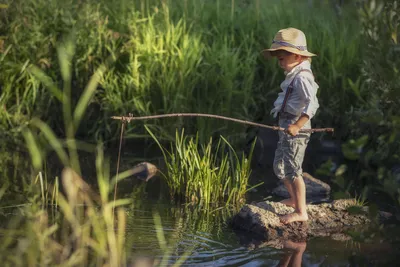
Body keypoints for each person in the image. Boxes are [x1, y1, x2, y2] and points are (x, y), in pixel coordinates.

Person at [262, 28, 319, 224]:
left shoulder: (303, 77)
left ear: (296, 55)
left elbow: (312, 104)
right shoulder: (294, 73)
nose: (279, 64)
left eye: (281, 59)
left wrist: (297, 125)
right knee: (280, 166)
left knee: (294, 169)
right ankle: (295, 200)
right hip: (287, 124)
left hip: (297, 128)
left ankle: (301, 212)